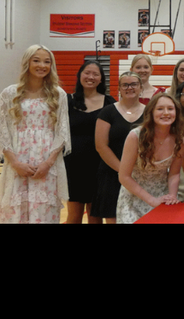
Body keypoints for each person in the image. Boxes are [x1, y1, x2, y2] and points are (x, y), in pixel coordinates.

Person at [0, 44, 71, 223]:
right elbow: (3, 131)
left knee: (44, 212)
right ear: (27, 63)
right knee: (15, 211)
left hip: (46, 164)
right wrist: (15, 163)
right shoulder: (10, 93)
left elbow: (62, 132)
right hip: (18, 162)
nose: (41, 65)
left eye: (47, 61)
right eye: (36, 60)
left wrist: (48, 163)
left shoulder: (58, 94)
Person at [116, 94, 184, 223]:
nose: (166, 113)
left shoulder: (181, 139)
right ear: (151, 112)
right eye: (160, 109)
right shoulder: (135, 136)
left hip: (162, 195)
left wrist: (172, 196)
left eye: (170, 109)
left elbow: (174, 173)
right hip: (134, 196)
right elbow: (124, 176)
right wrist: (151, 200)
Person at [64, 61, 116, 224]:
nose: (91, 77)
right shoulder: (67, 101)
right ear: (79, 75)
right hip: (73, 165)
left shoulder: (109, 102)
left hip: (99, 165)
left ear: (101, 79)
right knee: (74, 217)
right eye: (87, 73)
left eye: (96, 74)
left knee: (95, 217)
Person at [92, 72, 147, 224]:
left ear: (141, 87)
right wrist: (123, 170)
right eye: (125, 85)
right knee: (113, 220)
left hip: (140, 176)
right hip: (111, 174)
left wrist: (136, 172)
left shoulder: (150, 112)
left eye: (134, 84)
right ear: (119, 89)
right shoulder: (107, 112)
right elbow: (101, 146)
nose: (130, 88)